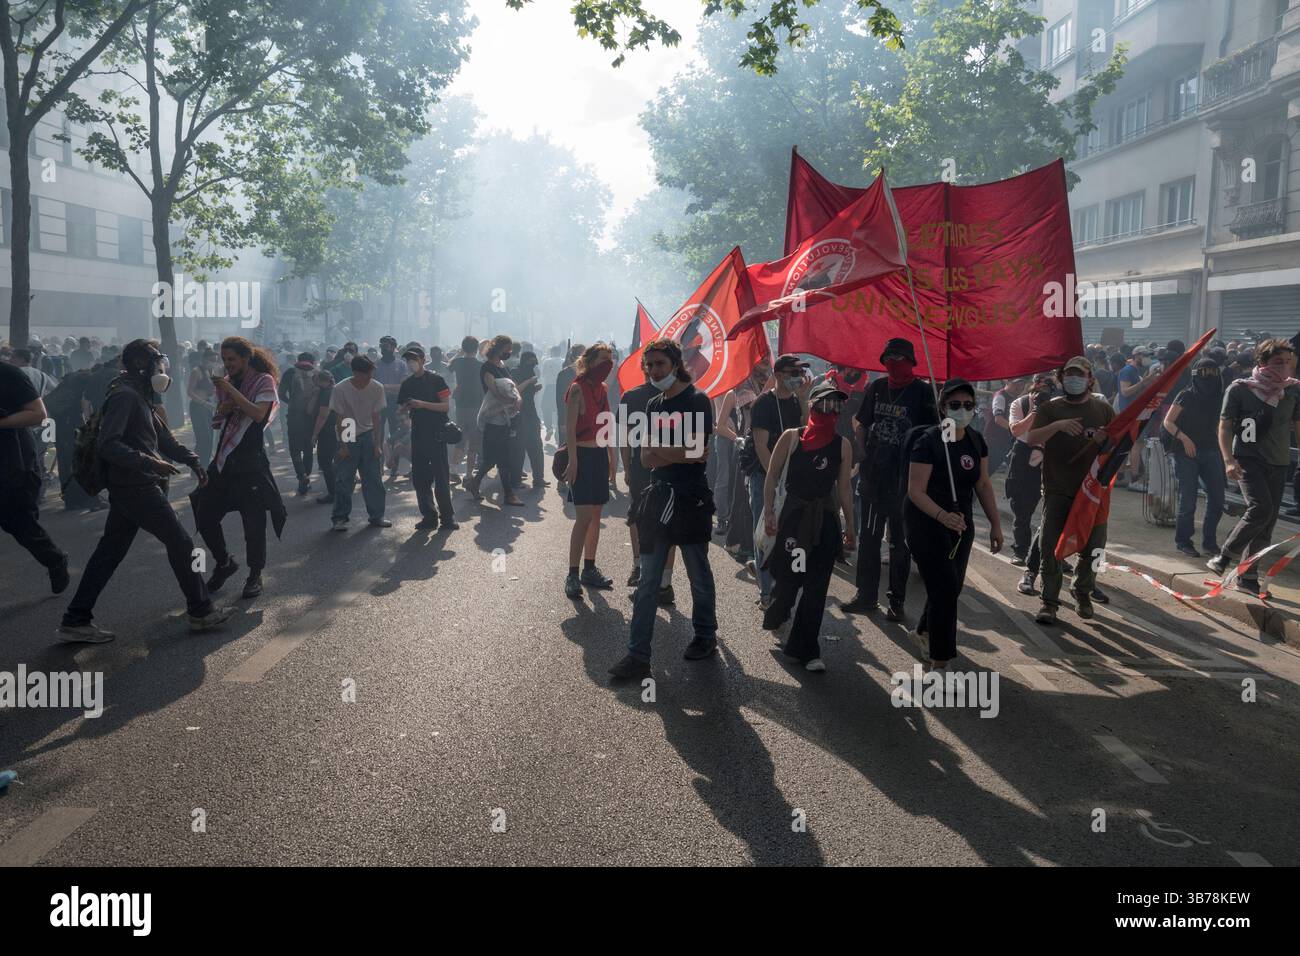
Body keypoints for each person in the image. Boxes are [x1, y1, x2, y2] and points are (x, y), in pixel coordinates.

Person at [59, 339, 232, 640]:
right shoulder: (126, 396)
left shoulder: (138, 393)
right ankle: (201, 610)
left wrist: (192, 460)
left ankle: (76, 619)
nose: (163, 370)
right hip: (135, 485)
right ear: (142, 365)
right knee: (180, 543)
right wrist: (152, 464)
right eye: (157, 365)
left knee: (108, 553)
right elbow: (109, 444)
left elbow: (161, 437)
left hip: (131, 485)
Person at [609, 339, 716, 679]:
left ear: (675, 363)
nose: (653, 371)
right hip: (658, 499)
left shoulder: (698, 401)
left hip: (691, 499)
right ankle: (638, 656)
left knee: (698, 573)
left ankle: (704, 636)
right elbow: (644, 457)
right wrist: (677, 450)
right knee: (647, 580)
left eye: (658, 364)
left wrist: (663, 449)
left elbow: (700, 453)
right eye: (648, 365)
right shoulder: (653, 405)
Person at [904, 379, 1004, 667]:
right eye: (955, 405)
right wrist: (941, 516)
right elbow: (915, 491)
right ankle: (940, 660)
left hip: (960, 525)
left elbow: (983, 485)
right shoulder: (928, 442)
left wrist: (995, 525)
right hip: (926, 522)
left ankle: (924, 631)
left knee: (950, 587)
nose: (962, 410)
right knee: (945, 589)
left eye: (968, 405)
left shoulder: (976, 440)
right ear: (943, 407)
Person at [760, 379, 856, 672]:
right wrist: (768, 513)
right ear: (812, 407)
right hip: (794, 520)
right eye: (825, 404)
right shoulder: (791, 437)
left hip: (823, 522)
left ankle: (807, 649)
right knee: (789, 580)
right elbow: (772, 477)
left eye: (836, 406)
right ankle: (777, 613)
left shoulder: (843, 445)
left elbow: (843, 490)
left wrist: (850, 525)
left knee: (816, 588)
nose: (831, 411)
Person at [842, 337, 939, 620]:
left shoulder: (923, 393)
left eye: (900, 358)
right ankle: (866, 595)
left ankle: (896, 601)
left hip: (906, 484)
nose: (894, 363)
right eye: (890, 358)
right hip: (873, 480)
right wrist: (860, 447)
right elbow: (861, 422)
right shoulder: (876, 388)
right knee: (870, 541)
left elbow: (934, 434)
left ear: (912, 362)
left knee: (899, 544)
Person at [1025, 356, 1115, 625]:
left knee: (1095, 547)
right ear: (1061, 378)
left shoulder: (1103, 410)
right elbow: (1032, 438)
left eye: (1080, 374)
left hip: (1093, 493)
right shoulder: (1051, 409)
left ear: (1090, 379)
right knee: (1050, 546)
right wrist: (1057, 427)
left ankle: (1083, 591)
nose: (1074, 379)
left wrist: (1104, 441)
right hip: (1057, 489)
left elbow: (1120, 446)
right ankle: (1049, 602)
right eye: (1069, 374)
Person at [195, 337, 286, 600]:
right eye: (224, 360)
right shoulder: (229, 381)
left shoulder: (263, 381)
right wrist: (224, 405)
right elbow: (220, 416)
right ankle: (224, 562)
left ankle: (255, 574)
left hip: (250, 461)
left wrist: (231, 393)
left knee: (253, 522)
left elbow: (258, 414)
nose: (227, 364)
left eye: (232, 359)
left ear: (246, 358)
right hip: (225, 458)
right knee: (204, 513)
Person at [1208, 338, 1300, 594]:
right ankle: (1224, 557)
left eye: (1288, 363)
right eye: (1278, 362)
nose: (1284, 368)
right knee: (1261, 508)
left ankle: (1247, 578)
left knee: (1267, 523)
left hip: (1279, 463)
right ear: (1261, 362)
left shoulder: (1292, 390)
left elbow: (1298, 426)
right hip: (1248, 459)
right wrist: (1228, 460)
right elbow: (1225, 427)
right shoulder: (1240, 389)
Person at [0, 360, 70, 598]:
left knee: (21, 525)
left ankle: (55, 559)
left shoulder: (8, 373)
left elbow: (38, 414)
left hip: (11, 462)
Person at [746, 354, 811, 608]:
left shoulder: (796, 401)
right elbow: (762, 447)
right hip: (765, 476)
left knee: (786, 532)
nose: (799, 377)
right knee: (765, 530)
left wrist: (805, 401)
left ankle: (777, 582)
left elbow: (806, 430)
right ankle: (766, 594)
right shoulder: (763, 403)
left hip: (790, 478)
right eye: (794, 372)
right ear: (780, 375)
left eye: (801, 372)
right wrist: (774, 480)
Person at [562, 342, 618, 599]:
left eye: (610, 359)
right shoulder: (577, 388)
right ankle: (572, 574)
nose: (607, 364)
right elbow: (569, 430)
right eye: (603, 359)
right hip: (582, 456)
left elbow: (606, 425)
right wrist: (573, 461)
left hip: (598, 455)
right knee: (583, 517)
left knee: (596, 515)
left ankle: (589, 568)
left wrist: (611, 456)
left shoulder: (603, 388)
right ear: (590, 361)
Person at [620, 364, 676, 602]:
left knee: (641, 519)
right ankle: (663, 581)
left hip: (643, 466)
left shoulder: (631, 396)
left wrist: (627, 467)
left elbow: (624, 438)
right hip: (666, 465)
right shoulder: (677, 394)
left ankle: (642, 571)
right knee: (667, 521)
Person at [1163, 357, 1225, 558]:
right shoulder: (1186, 395)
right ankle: (1183, 541)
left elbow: (1222, 425)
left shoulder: (1220, 396)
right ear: (1196, 375)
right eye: (1204, 372)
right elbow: (1168, 422)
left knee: (1217, 499)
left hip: (1211, 451)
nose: (1209, 376)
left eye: (1213, 372)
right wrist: (1184, 438)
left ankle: (1209, 542)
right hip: (1185, 453)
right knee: (1188, 500)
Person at [398, 344, 457, 531]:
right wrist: (404, 414)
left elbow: (445, 407)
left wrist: (421, 404)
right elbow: (400, 410)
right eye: (408, 360)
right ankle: (429, 516)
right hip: (418, 434)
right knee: (420, 478)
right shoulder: (407, 384)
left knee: (441, 477)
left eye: (414, 359)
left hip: (437, 433)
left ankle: (447, 517)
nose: (411, 363)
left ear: (423, 360)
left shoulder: (437, 380)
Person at [329, 354, 391, 531]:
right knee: (344, 478)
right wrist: (343, 446)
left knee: (373, 479)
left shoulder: (377, 387)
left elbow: (377, 417)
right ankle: (340, 517)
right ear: (355, 372)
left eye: (371, 375)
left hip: (369, 432)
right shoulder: (340, 389)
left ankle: (377, 515)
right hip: (348, 428)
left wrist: (378, 444)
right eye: (365, 376)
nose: (368, 379)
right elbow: (340, 418)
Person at [468, 335, 525, 507]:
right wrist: (510, 402)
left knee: (496, 458)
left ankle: (475, 483)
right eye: (506, 350)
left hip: (507, 419)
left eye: (510, 350)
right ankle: (508, 494)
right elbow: (494, 390)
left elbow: (514, 387)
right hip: (493, 419)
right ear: (497, 348)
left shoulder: (503, 366)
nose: (509, 353)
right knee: (499, 459)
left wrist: (518, 400)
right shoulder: (487, 368)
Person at [279, 352, 320, 495]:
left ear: (298, 360)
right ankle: (306, 479)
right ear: (313, 361)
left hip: (294, 417)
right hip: (311, 418)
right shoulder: (317, 373)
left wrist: (291, 402)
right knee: (308, 450)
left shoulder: (290, 372)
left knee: (295, 450)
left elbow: (281, 394)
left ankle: (301, 476)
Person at [511, 350, 546, 488]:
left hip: (531, 413)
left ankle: (539, 478)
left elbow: (528, 392)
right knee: (519, 448)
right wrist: (530, 381)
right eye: (530, 362)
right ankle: (516, 479)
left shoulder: (531, 371)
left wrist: (535, 387)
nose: (532, 366)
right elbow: (516, 390)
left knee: (536, 447)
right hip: (519, 414)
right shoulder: (515, 371)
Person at [449, 336, 482, 476]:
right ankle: (469, 474)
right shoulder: (481, 365)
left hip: (461, 403)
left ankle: (454, 468)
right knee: (474, 440)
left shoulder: (457, 362)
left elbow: (448, 367)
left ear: (463, 348)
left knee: (461, 437)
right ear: (477, 348)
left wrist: (458, 353)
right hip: (477, 404)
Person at [309, 366, 339, 504]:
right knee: (341, 460)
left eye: (317, 381)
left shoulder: (327, 393)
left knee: (325, 462)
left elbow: (322, 416)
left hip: (328, 431)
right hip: (341, 428)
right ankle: (341, 489)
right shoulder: (336, 390)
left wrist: (315, 434)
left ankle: (333, 493)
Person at [187, 348, 220, 467]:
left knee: (210, 437)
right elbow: (190, 392)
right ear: (204, 359)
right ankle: (199, 466)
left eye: (215, 360)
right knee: (202, 438)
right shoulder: (196, 371)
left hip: (208, 406)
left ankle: (203, 464)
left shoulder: (210, 372)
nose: (213, 362)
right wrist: (203, 403)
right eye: (211, 360)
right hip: (198, 407)